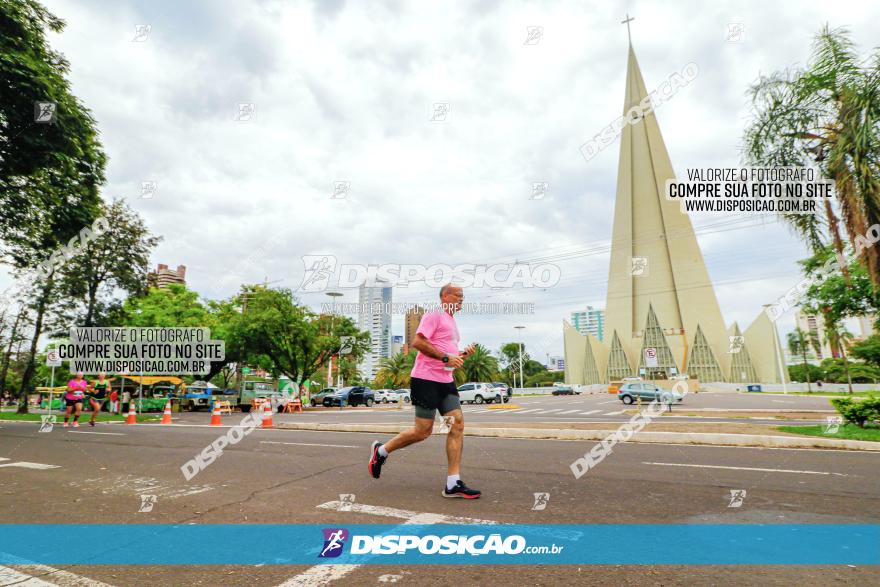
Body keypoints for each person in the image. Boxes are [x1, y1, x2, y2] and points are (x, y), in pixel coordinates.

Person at [368, 284, 480, 498]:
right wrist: (446, 357)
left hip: (445, 381)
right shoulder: (435, 314)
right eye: (458, 295)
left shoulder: (452, 322)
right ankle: (381, 451)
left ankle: (452, 483)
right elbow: (418, 342)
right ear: (445, 296)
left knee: (456, 425)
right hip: (425, 380)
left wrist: (462, 354)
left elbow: (448, 357)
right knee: (423, 431)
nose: (462, 299)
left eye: (463, 296)